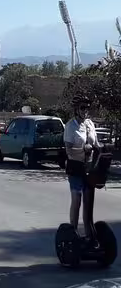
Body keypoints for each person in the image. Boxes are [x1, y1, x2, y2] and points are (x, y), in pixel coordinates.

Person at [64, 93, 101, 239]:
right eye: (82, 108)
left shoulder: (90, 124)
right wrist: (83, 149)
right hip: (76, 166)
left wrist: (102, 148)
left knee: (88, 199)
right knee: (77, 198)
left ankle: (88, 233)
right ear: (76, 109)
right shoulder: (70, 126)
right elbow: (68, 150)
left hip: (89, 167)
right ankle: (73, 232)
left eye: (87, 108)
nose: (85, 111)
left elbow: (96, 144)